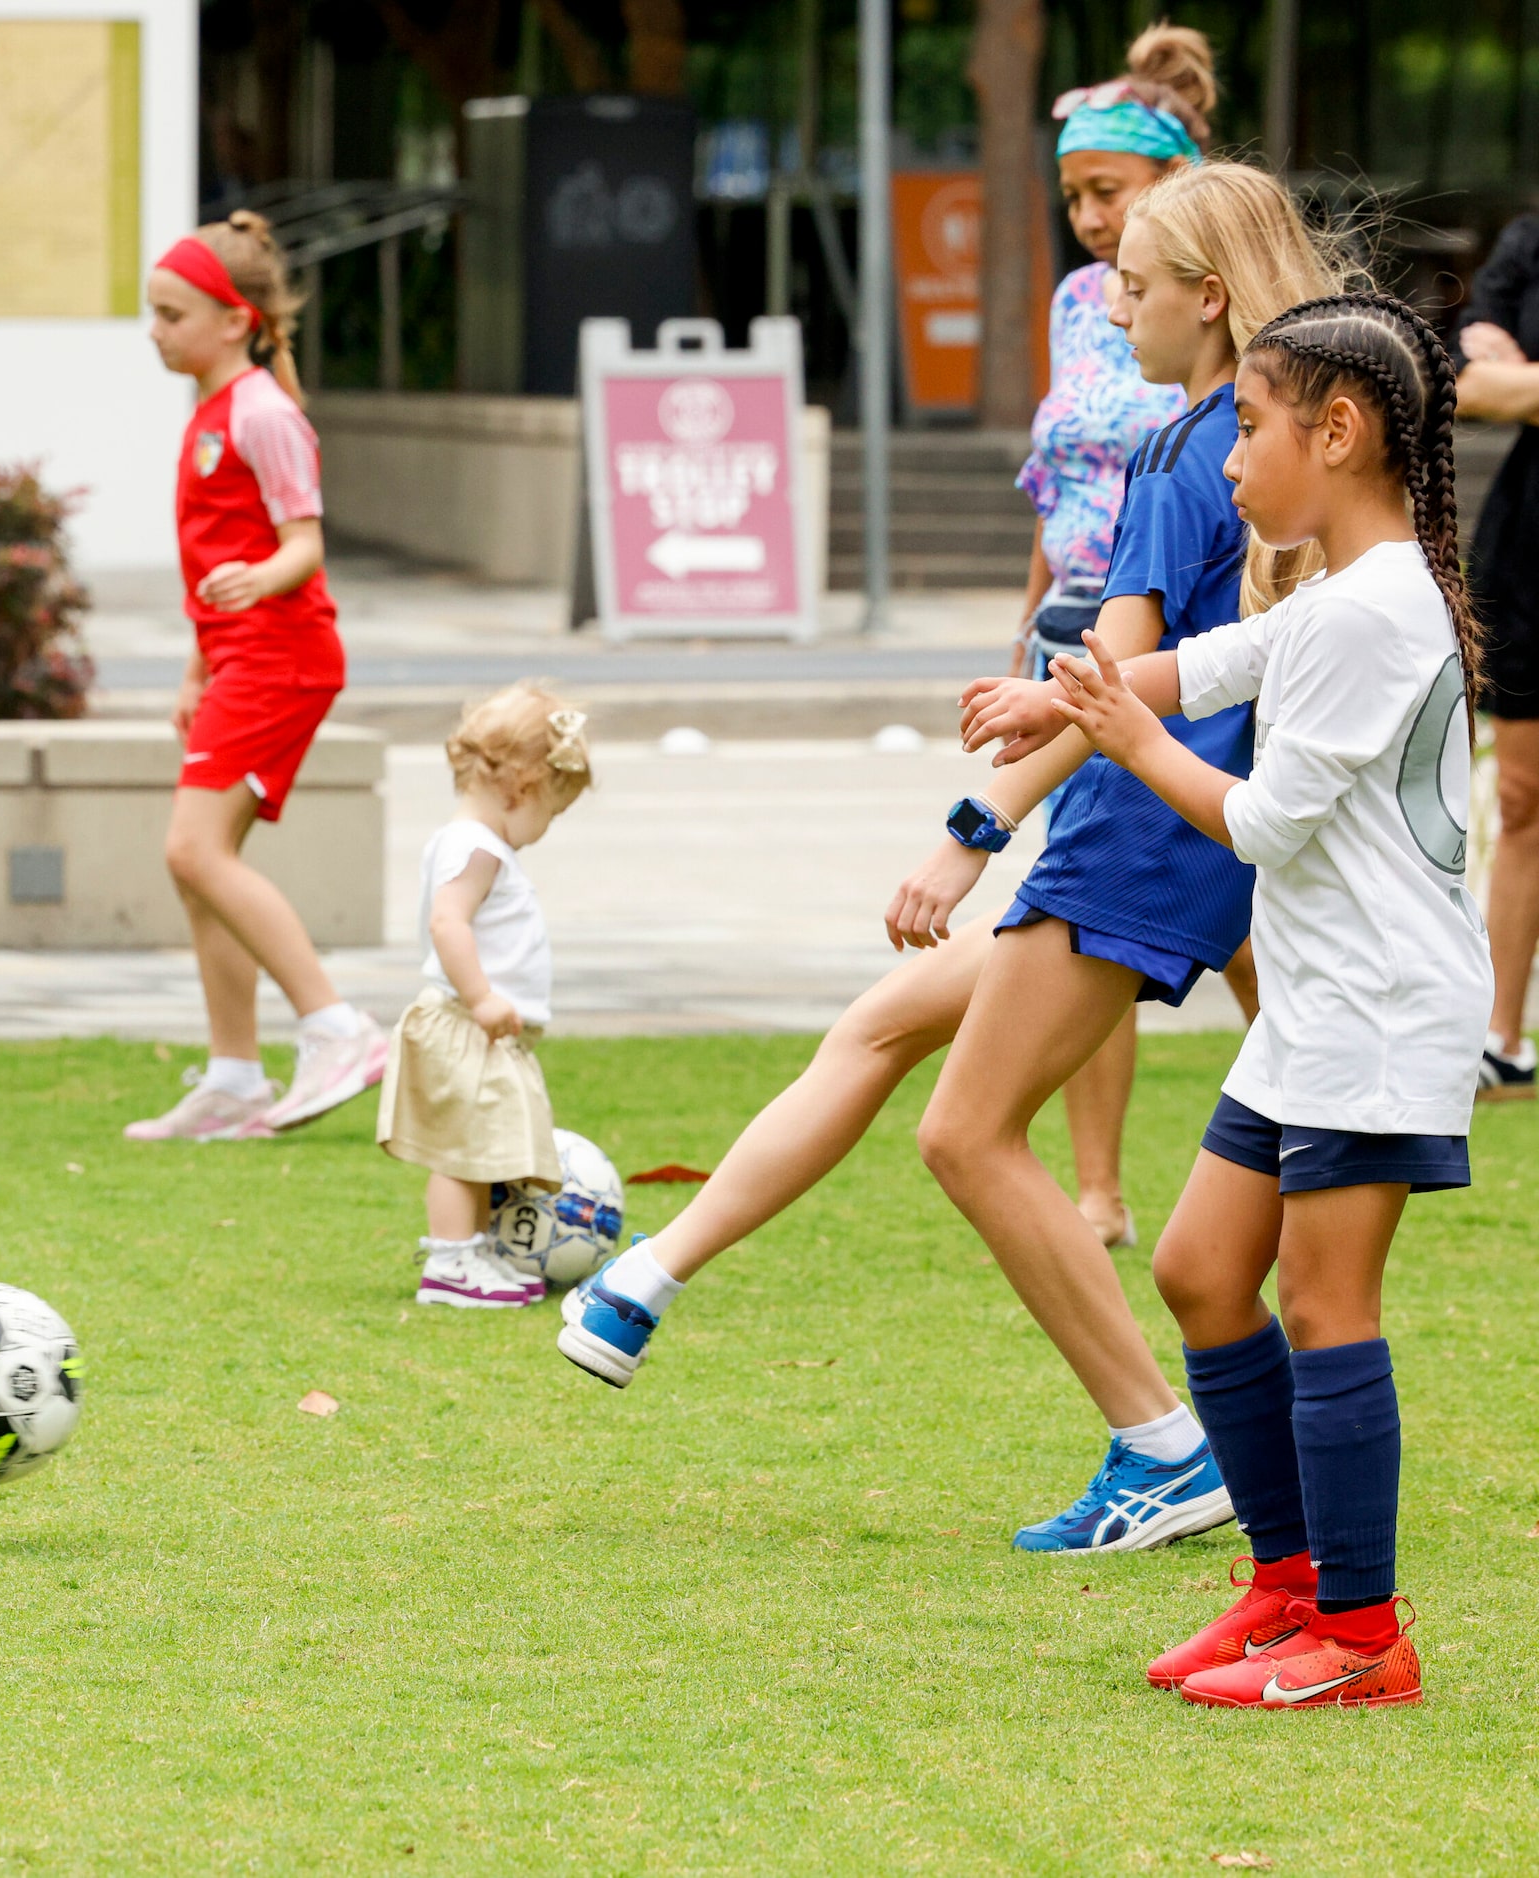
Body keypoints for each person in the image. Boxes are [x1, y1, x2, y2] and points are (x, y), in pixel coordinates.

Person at [557, 162, 1343, 1561]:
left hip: (1133, 845)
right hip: (1158, 837)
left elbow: (1116, 690)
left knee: (966, 1135)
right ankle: (642, 1280)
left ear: (1209, 300)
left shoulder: (1186, 457)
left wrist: (967, 832)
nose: (1109, 301)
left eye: (1138, 284)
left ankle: (1167, 1444)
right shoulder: (1248, 436)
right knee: (880, 1025)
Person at [970, 292, 1484, 1707]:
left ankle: (1365, 1635)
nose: (1233, 459)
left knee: (1326, 1304)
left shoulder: (1372, 613)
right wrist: (1064, 696)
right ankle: (1283, 1588)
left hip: (1377, 1010)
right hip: (1320, 1009)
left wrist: (1123, 737)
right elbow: (1209, 662)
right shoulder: (1337, 596)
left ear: (1342, 429)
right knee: (1203, 1269)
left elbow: (1258, 821)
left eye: (1251, 429)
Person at [122, 212, 386, 1144]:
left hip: (283, 657)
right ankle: (235, 1077)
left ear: (236, 319)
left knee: (195, 852)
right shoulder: (213, 410)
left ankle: (337, 1027)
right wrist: (200, 663)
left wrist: (254, 585)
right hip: (243, 656)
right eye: (153, 312)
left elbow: (302, 548)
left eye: (172, 313)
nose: (155, 329)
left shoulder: (264, 413)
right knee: (201, 871)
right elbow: (217, 565)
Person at [1015, 23, 1214, 1248]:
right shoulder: (1075, 305)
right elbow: (1053, 480)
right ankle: (1097, 1188)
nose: (1089, 219)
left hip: (1180, 634)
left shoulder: (1203, 316)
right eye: (1075, 196)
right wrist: (1020, 635)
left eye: (1108, 192)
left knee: (1227, 896)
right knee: (1092, 912)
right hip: (1076, 629)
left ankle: (1311, 1131)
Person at [378, 684, 592, 1308]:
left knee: (484, 1145)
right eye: (550, 813)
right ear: (519, 788)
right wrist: (482, 998)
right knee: (461, 1149)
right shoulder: (473, 846)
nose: (544, 830)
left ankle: (473, 1248)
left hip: (481, 1025)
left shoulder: (479, 844)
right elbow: (449, 923)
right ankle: (449, 1263)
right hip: (466, 1021)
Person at [1453, 213, 1539, 1094]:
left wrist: (1521, 376)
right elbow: (1465, 385)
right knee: (1519, 799)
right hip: (1528, 550)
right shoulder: (1527, 244)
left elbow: (1499, 378)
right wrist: (1499, 380)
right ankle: (1503, 1040)